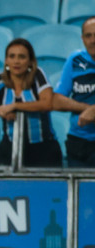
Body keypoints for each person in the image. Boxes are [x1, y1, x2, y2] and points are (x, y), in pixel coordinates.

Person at [0, 38, 61, 168]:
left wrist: (15, 106)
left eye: (22, 57)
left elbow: (47, 104)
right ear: (6, 61)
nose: (16, 61)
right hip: (9, 148)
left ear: (30, 61)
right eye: (12, 56)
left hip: (43, 149)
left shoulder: (38, 75)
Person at [53, 16, 95, 168]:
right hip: (79, 143)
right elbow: (57, 101)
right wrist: (88, 109)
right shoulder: (75, 60)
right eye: (88, 36)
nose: (93, 40)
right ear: (82, 39)